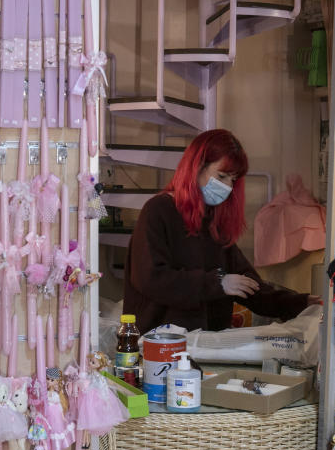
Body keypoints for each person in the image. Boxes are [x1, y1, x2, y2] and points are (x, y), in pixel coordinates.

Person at [123, 129, 320, 334]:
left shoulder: (213, 223)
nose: (227, 187)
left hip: (205, 345)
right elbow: (151, 279)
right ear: (197, 167)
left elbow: (249, 286)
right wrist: (217, 283)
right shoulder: (157, 211)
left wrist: (300, 303)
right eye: (222, 176)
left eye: (233, 180)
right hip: (159, 345)